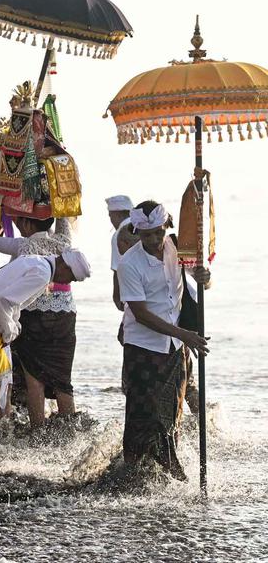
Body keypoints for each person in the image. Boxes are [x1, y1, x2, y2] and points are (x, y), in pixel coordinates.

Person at [117, 200, 211, 479]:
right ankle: (132, 470)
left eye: (158, 232)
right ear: (138, 233)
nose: (155, 240)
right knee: (143, 413)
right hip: (143, 346)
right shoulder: (129, 264)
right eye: (147, 235)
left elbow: (201, 277)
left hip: (175, 346)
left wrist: (205, 277)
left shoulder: (177, 246)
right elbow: (141, 314)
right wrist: (183, 334)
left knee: (172, 411)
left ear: (166, 227)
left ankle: (166, 467)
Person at [0, 248, 91, 421]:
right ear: (65, 267)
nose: (66, 283)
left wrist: (13, 324)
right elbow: (5, 301)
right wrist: (9, 331)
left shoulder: (37, 261)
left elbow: (13, 303)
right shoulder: (42, 274)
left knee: (2, 383)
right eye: (70, 278)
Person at [0, 213, 78, 427]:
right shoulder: (64, 241)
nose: (17, 226)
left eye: (18, 221)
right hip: (64, 315)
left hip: (34, 316)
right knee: (63, 378)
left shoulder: (23, 245)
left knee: (34, 377)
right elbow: (63, 211)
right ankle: (69, 429)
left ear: (27, 222)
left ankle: (38, 431)